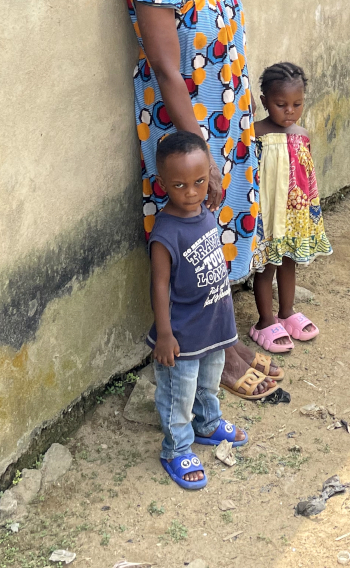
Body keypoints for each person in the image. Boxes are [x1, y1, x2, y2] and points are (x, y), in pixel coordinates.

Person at [122, 0, 275, 400]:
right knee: (190, 237)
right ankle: (203, 345)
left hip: (228, 115)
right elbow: (166, 68)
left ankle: (224, 335)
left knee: (225, 223)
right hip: (185, 130)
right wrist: (201, 153)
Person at [147, 132, 248, 490]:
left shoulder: (203, 210)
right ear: (162, 184)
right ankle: (176, 448)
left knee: (209, 380)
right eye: (179, 185)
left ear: (210, 175)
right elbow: (159, 285)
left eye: (200, 182)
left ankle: (207, 423)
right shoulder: (165, 232)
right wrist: (164, 334)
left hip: (214, 324)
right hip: (182, 334)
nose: (191, 192)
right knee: (179, 392)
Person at [250, 62, 332, 353]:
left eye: (297, 104)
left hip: (295, 215)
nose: (290, 111)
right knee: (266, 265)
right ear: (264, 102)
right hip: (269, 215)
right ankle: (264, 320)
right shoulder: (255, 133)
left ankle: (286, 312)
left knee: (289, 262)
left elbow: (306, 174)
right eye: (281, 104)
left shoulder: (303, 134)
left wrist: (311, 211)